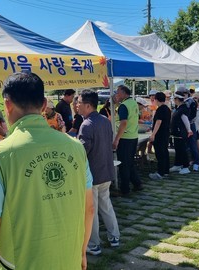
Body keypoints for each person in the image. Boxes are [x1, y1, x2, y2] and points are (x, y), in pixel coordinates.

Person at [0, 72, 94, 270]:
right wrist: (81, 251)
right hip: (69, 260)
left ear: (7, 104)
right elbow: (89, 208)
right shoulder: (76, 147)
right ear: (44, 105)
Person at [76, 90, 120, 256]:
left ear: (87, 105)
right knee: (106, 206)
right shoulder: (104, 120)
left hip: (92, 174)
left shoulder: (86, 125)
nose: (77, 105)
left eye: (79, 102)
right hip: (106, 171)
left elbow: (82, 150)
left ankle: (94, 244)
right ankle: (114, 237)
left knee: (91, 210)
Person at [113, 85, 143, 196]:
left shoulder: (124, 106)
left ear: (124, 93)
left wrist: (116, 139)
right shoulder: (133, 102)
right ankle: (137, 183)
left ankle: (124, 189)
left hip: (125, 138)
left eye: (118, 92)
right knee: (129, 163)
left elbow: (124, 123)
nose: (117, 94)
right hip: (133, 136)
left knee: (124, 165)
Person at [148, 92, 171, 180]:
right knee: (165, 152)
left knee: (160, 153)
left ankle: (160, 173)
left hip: (160, 134)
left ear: (157, 100)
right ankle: (165, 171)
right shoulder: (167, 109)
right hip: (165, 133)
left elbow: (158, 122)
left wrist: (153, 134)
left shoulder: (160, 109)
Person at [169, 91, 191, 175]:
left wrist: (189, 130)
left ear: (178, 99)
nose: (174, 100)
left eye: (174, 99)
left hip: (181, 133)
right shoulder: (179, 108)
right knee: (178, 149)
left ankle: (186, 166)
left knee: (182, 150)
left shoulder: (183, 109)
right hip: (177, 133)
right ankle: (178, 164)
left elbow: (186, 121)